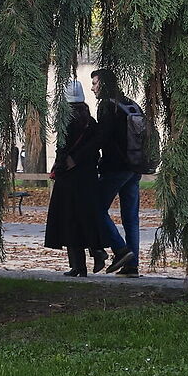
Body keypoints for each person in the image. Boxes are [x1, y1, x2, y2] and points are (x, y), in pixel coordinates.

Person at [43, 87, 109, 276]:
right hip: (87, 176)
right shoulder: (90, 121)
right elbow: (98, 144)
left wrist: (61, 166)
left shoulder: (66, 120)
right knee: (85, 218)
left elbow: (62, 148)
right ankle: (95, 251)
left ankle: (78, 265)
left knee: (69, 220)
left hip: (69, 177)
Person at [93, 67, 147, 275]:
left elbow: (103, 138)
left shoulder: (107, 106)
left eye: (95, 83)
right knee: (131, 218)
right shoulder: (131, 104)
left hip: (115, 167)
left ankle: (121, 249)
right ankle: (132, 266)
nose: (93, 88)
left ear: (104, 84)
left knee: (95, 208)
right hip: (135, 166)